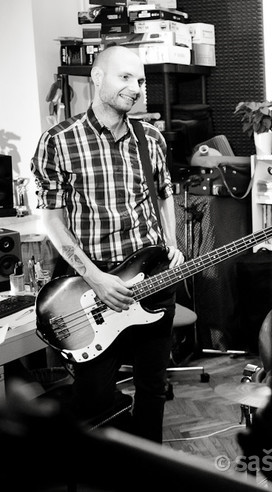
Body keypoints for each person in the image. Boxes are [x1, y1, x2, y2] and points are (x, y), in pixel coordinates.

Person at [31, 46, 185, 443]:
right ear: (97, 78)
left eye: (141, 81)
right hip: (91, 291)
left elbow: (165, 193)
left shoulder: (149, 138)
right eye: (125, 78)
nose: (135, 89)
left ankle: (150, 468)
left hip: (152, 280)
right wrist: (97, 278)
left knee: (152, 387)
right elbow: (52, 220)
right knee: (95, 398)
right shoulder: (59, 141)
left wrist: (170, 242)